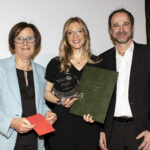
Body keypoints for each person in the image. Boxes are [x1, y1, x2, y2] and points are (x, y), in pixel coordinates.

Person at [85, 8, 150, 150]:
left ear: (132, 28)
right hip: (111, 131)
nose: (121, 29)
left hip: (142, 130)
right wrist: (101, 129)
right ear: (110, 30)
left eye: (125, 24)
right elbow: (99, 99)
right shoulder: (102, 60)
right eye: (116, 25)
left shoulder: (147, 54)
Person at [44, 17, 101, 150]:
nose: (75, 36)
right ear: (66, 37)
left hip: (88, 125)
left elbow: (101, 98)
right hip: (63, 124)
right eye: (70, 32)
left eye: (79, 31)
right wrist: (59, 101)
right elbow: (47, 93)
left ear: (85, 34)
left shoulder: (98, 63)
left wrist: (96, 116)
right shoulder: (56, 63)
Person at [0, 22, 57, 150]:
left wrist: (48, 113)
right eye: (19, 39)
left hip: (35, 142)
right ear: (13, 43)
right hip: (6, 142)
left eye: (30, 38)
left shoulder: (42, 72)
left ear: (36, 43)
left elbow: (40, 104)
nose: (25, 43)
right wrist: (12, 122)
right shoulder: (1, 68)